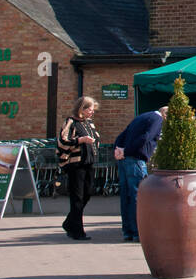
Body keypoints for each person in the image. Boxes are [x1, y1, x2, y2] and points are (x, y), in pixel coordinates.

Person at [112, 106, 166, 242]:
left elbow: (122, 134)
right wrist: (127, 151)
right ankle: (138, 232)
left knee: (126, 196)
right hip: (135, 159)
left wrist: (118, 149)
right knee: (138, 195)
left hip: (124, 160)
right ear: (165, 115)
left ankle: (128, 231)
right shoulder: (157, 119)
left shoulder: (142, 116)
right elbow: (146, 137)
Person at [58, 96, 100, 240]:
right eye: (90, 109)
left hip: (88, 163)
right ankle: (77, 231)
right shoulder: (71, 122)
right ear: (82, 108)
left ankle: (69, 222)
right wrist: (80, 140)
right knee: (77, 197)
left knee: (87, 193)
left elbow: (96, 138)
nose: (92, 112)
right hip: (76, 165)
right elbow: (63, 140)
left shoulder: (89, 123)